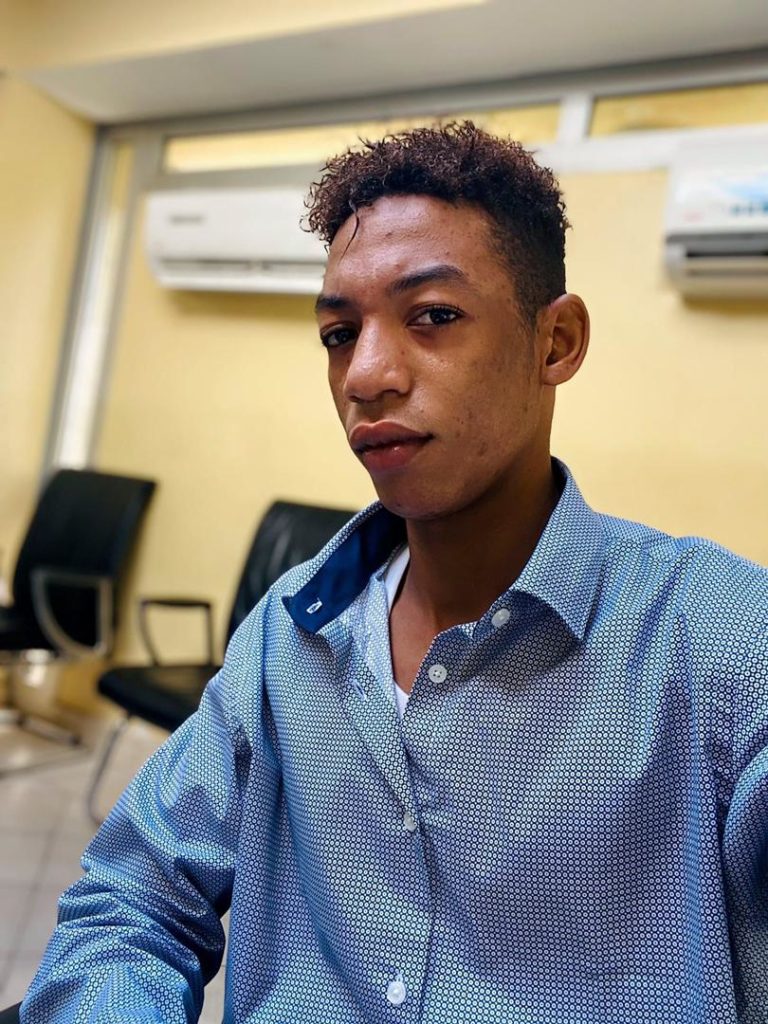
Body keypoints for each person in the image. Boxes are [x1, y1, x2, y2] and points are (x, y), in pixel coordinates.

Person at [21, 122, 768, 1023]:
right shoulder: (290, 635)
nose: (365, 376)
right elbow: (129, 901)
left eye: (434, 316)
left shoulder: (724, 645)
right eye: (340, 333)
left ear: (556, 342)